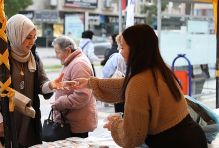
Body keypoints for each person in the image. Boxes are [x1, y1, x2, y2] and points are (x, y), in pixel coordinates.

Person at [74, 24, 207, 148]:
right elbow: (124, 85)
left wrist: (115, 125)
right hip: (192, 137)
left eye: (122, 47)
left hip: (173, 142)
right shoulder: (159, 69)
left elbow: (134, 137)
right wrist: (90, 82)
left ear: (136, 48)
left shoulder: (140, 81)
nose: (120, 52)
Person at [0, 14, 70, 147]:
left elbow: (41, 83)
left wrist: (51, 85)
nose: (32, 42)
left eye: (34, 37)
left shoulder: (33, 58)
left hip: (27, 123)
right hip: (1, 122)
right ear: (15, 35)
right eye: (28, 37)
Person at [51, 36, 97, 138]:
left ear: (68, 50)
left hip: (77, 125)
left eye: (57, 52)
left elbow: (82, 96)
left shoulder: (79, 64)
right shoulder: (72, 61)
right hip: (72, 122)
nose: (56, 56)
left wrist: (60, 102)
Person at [102, 34, 126, 113]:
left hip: (118, 90)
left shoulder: (117, 57)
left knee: (120, 113)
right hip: (128, 92)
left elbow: (106, 73)